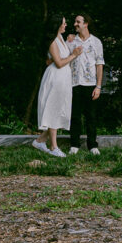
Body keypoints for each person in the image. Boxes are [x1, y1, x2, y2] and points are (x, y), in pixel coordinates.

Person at [32, 16, 82, 158]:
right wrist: (74, 55)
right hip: (56, 77)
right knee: (53, 110)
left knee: (59, 109)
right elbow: (59, 62)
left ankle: (40, 141)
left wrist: (68, 41)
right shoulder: (53, 41)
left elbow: (53, 58)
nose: (66, 25)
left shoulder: (59, 37)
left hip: (63, 78)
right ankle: (54, 146)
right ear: (57, 25)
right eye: (64, 23)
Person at [68, 13, 104, 155]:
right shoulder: (71, 41)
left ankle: (92, 145)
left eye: (78, 22)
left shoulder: (96, 42)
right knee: (75, 115)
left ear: (86, 23)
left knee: (91, 116)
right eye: (75, 22)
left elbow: (99, 64)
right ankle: (74, 145)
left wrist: (98, 86)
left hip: (90, 84)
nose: (75, 24)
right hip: (74, 83)